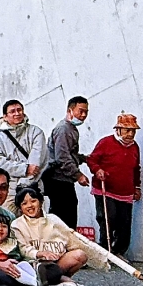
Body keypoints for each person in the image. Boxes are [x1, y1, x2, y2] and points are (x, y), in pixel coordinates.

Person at [11, 185, 104, 286]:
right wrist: (40, 253)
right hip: (34, 266)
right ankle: (60, 283)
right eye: (24, 203)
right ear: (20, 208)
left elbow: (71, 238)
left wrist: (99, 257)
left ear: (41, 202)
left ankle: (60, 280)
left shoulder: (53, 219)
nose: (29, 206)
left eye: (33, 201)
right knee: (41, 270)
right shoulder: (17, 224)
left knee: (80, 255)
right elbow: (23, 248)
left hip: (57, 263)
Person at [88, 112, 143, 259]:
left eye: (133, 131)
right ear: (118, 130)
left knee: (124, 223)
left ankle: (119, 252)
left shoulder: (134, 147)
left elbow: (136, 168)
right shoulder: (105, 142)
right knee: (108, 219)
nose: (130, 134)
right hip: (106, 189)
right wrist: (97, 170)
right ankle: (105, 251)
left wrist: (137, 187)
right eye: (127, 130)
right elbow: (92, 160)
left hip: (125, 191)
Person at [44, 96, 90, 229]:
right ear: (70, 110)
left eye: (86, 112)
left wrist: (84, 158)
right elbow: (62, 157)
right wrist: (78, 175)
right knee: (64, 218)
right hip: (59, 180)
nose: (83, 115)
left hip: (64, 180)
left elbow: (70, 154)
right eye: (80, 111)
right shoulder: (64, 129)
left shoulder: (70, 129)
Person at [0, 100, 47, 194]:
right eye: (12, 111)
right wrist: (24, 169)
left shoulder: (36, 132)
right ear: (5, 117)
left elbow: (36, 164)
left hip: (33, 188)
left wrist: (23, 186)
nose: (17, 113)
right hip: (8, 190)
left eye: (19, 110)